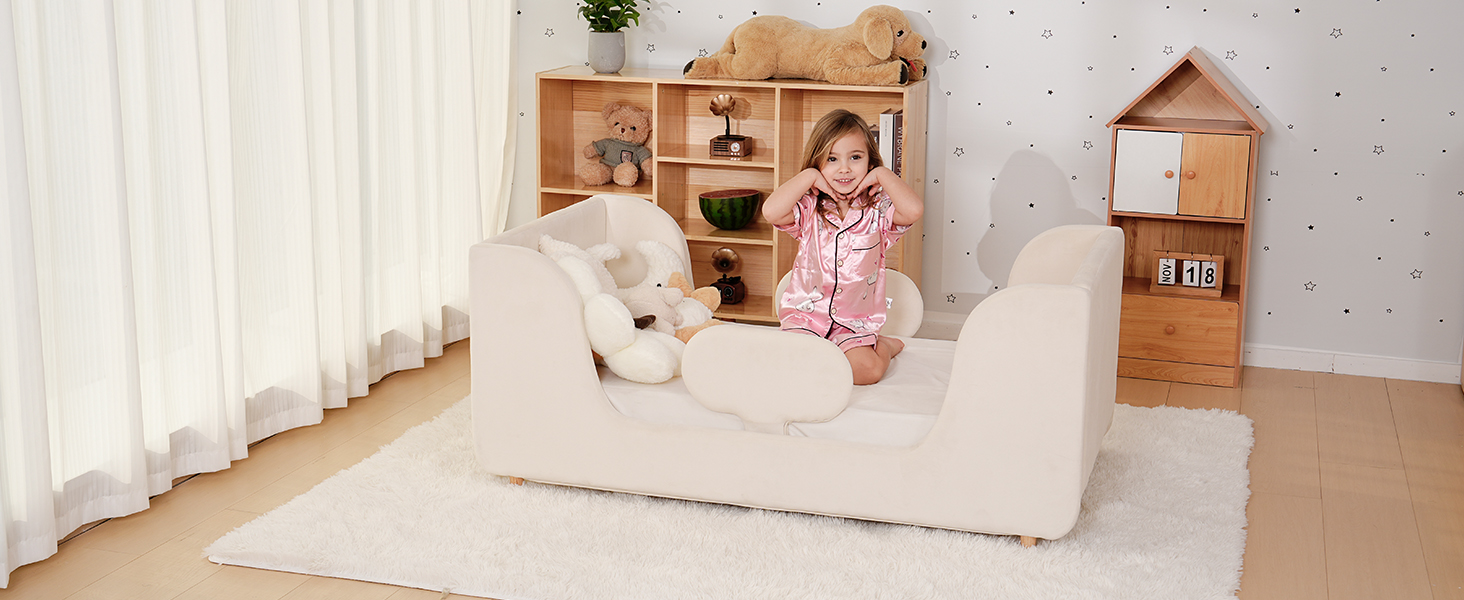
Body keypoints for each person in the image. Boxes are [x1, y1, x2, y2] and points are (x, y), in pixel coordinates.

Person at [763, 109, 924, 385]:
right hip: (806, 318)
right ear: (818, 162)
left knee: (866, 372)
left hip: (853, 323)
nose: (844, 168)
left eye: (856, 157)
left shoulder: (877, 210)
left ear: (869, 161)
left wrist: (883, 174)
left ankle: (884, 347)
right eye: (831, 159)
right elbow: (771, 211)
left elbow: (913, 210)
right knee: (790, 368)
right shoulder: (809, 208)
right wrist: (809, 176)